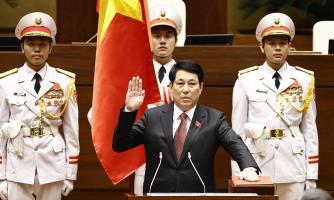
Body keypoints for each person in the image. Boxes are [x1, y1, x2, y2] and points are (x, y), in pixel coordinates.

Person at [113, 60, 260, 193]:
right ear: (170, 87)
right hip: (157, 194)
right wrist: (129, 111)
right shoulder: (152, 117)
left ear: (201, 87)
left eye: (192, 84)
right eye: (180, 83)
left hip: (199, 194)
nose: (185, 90)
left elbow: (235, 143)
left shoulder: (214, 119)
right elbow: (120, 144)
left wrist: (248, 167)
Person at [87, 5, 182, 195]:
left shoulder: (187, 75)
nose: (162, 41)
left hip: (179, 155)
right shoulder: (133, 74)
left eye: (168, 35)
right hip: (143, 156)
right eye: (156, 35)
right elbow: (96, 115)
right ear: (148, 38)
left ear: (176, 39)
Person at [231, 13, 319, 200]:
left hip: (293, 163)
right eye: (271, 43)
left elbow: (310, 129)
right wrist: (237, 170)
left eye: (283, 43)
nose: (277, 48)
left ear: (290, 46)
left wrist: (311, 174)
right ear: (262, 47)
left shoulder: (304, 80)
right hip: (256, 163)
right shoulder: (246, 80)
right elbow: (237, 132)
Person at [0, 12, 79, 200]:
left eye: (42, 44)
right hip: (17, 164)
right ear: (22, 47)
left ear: (51, 47)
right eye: (31, 44)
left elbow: (71, 132)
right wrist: (1, 177)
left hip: (53, 165)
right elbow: (0, 131)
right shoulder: (6, 82)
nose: (37, 49)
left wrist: (70, 174)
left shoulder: (64, 81)